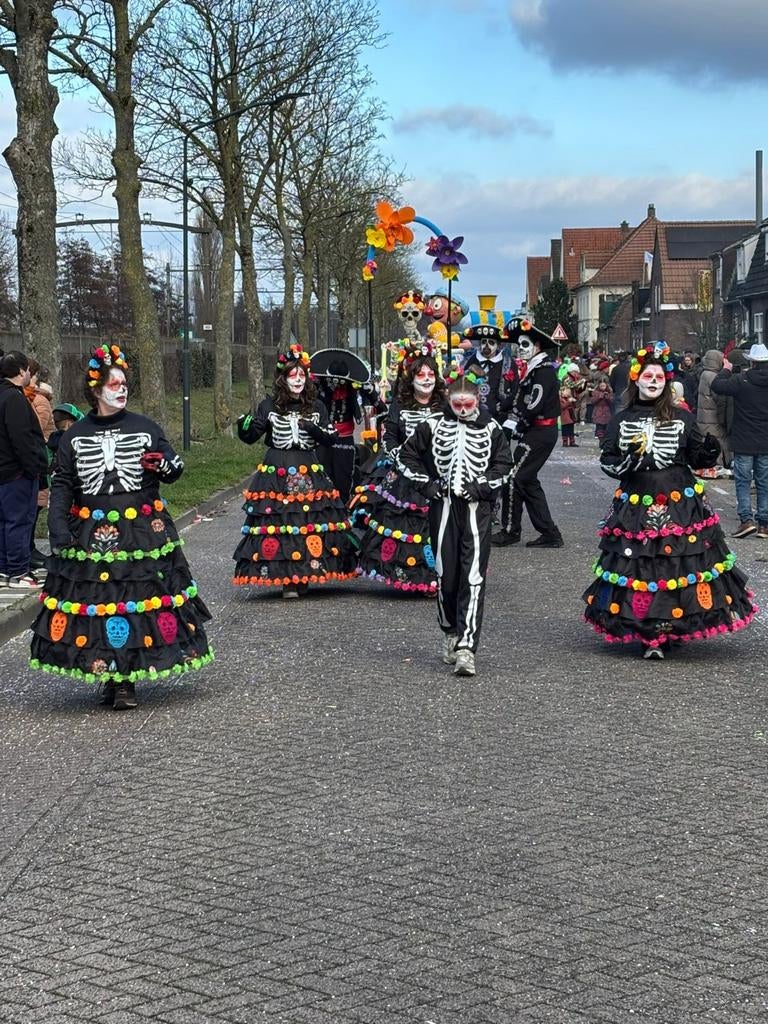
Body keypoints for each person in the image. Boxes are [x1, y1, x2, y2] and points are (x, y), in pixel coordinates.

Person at [29, 344, 213, 710]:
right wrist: (58, 530)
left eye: (125, 383)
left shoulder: (145, 427)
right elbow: (63, 484)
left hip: (141, 532)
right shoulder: (74, 436)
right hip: (92, 533)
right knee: (101, 604)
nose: (121, 388)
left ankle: (125, 679)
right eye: (114, 383)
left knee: (133, 604)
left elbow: (175, 468)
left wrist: (162, 467)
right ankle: (109, 673)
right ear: (96, 390)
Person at [583, 341, 756, 659]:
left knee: (679, 562)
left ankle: (670, 626)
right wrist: (624, 465)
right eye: (647, 375)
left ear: (666, 383)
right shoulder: (621, 420)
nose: (652, 381)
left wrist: (708, 450)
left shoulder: (682, 417)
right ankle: (650, 631)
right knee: (642, 563)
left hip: (680, 498)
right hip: (637, 500)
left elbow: (693, 456)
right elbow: (608, 458)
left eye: (658, 377)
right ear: (636, 379)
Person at [397, 364, 513, 677]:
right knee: (446, 575)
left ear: (478, 400)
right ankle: (449, 630)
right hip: (444, 507)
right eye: (456, 404)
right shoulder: (432, 425)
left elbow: (505, 466)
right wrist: (428, 484)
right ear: (448, 398)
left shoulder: (492, 429)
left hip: (477, 511)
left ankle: (466, 647)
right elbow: (404, 456)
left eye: (468, 405)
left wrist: (483, 485)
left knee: (473, 577)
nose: (462, 410)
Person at [234, 343, 357, 597]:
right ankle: (287, 577)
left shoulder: (317, 406)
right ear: (283, 378)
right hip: (277, 469)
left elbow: (330, 437)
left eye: (302, 375)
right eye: (293, 375)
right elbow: (253, 434)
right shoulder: (268, 406)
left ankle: (305, 572)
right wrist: (244, 427)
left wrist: (314, 430)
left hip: (307, 465)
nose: (298, 380)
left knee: (306, 521)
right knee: (282, 520)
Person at [351, 341, 445, 594]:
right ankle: (407, 575)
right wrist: (397, 455)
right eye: (421, 375)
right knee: (405, 525)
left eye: (431, 374)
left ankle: (436, 577)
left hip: (437, 473)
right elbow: (390, 435)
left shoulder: (445, 406)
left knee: (439, 523)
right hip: (405, 475)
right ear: (411, 378)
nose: (426, 380)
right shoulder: (400, 406)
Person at [492, 317, 564, 548]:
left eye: (524, 345)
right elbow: (517, 399)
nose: (519, 350)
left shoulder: (543, 371)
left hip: (541, 432)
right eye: (518, 345)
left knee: (515, 476)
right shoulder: (532, 370)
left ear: (538, 347)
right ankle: (549, 533)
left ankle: (511, 530)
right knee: (527, 480)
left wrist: (517, 422)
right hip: (535, 431)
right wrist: (499, 411)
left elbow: (534, 404)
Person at [0, 351, 48, 590]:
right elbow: (22, 439)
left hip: (3, 472)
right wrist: (35, 469)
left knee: (3, 522)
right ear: (21, 372)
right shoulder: (14, 399)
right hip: (17, 473)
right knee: (18, 521)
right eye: (27, 369)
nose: (30, 373)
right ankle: (19, 572)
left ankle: (4, 569)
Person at [711, 342, 768, 539]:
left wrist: (726, 370)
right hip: (766, 442)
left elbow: (716, 386)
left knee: (743, 481)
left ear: (751, 362)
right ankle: (764, 524)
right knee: (764, 482)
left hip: (743, 440)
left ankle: (746, 520)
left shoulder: (741, 380)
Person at [24, 359, 56, 573]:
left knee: (35, 504)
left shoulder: (38, 400)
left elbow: (38, 428)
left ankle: (30, 548)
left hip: (39, 458)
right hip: (33, 458)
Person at [695, 349, 728, 478]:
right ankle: (715, 467)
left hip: (704, 415)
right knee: (716, 440)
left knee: (706, 439)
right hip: (712, 415)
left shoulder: (704, 374)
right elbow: (719, 396)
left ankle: (706, 467)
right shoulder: (713, 377)